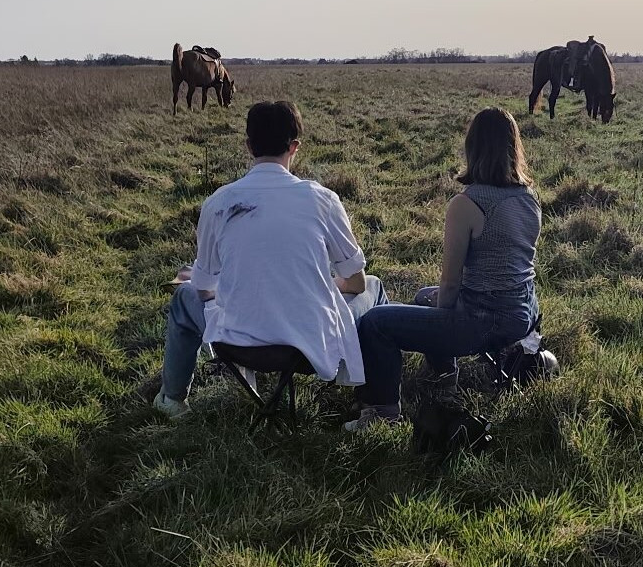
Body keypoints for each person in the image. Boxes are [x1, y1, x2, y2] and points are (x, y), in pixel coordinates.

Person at [153, 100, 387, 418]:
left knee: (184, 296)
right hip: (309, 346)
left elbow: (205, 289)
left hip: (237, 343)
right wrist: (323, 283)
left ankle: (172, 399)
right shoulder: (322, 199)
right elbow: (356, 283)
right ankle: (375, 404)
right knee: (374, 286)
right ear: (295, 147)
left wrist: (234, 284)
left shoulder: (218, 202)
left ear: (249, 145)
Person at [346, 107, 541, 431]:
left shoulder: (467, 204)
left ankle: (382, 414)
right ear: (513, 147)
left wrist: (443, 325)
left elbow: (450, 284)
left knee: (376, 322)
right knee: (424, 295)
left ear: (472, 147)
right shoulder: (528, 196)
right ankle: (443, 380)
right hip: (523, 312)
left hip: (483, 321)